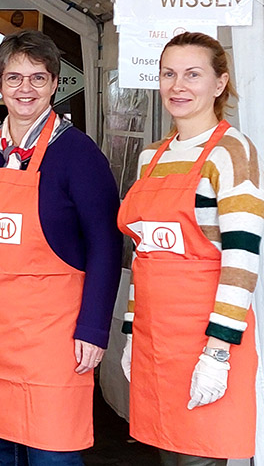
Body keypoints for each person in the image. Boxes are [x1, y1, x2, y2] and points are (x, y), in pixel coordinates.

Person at [0, 30, 122, 465]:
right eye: (14, 78)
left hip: (50, 338)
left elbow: (105, 244)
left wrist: (94, 329)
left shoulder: (79, 154)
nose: (25, 90)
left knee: (52, 453)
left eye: (37, 79)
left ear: (55, 83)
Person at [118, 32, 262, 465]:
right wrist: (131, 332)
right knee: (167, 456)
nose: (178, 86)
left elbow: (242, 256)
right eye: (169, 74)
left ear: (219, 84)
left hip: (207, 340)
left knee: (201, 457)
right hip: (155, 340)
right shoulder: (151, 158)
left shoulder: (232, 151)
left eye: (192, 74)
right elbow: (144, 255)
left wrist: (218, 352)